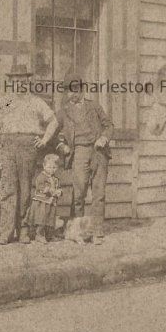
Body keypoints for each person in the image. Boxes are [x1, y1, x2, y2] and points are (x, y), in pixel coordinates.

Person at [0, 63, 59, 245]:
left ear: (28, 81)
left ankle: (24, 230)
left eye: (23, 80)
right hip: (7, 146)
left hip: (28, 148)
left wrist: (44, 140)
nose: (20, 83)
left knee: (26, 190)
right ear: (11, 82)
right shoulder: (4, 102)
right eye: (16, 80)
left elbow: (54, 121)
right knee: (8, 190)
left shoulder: (36, 102)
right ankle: (6, 232)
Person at [56, 73, 113, 245]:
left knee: (99, 193)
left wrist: (104, 138)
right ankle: (77, 231)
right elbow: (54, 135)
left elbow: (109, 125)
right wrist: (62, 146)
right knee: (79, 193)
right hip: (79, 152)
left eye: (76, 90)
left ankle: (97, 231)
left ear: (82, 90)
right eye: (69, 91)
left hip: (98, 152)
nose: (73, 94)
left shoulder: (94, 106)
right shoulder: (63, 112)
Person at [25, 153, 63, 244]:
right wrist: (48, 189)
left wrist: (59, 192)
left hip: (51, 202)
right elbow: (40, 186)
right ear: (44, 166)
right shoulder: (41, 177)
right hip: (42, 202)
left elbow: (58, 187)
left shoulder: (56, 179)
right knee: (42, 218)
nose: (52, 170)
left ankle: (49, 235)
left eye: (54, 168)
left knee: (50, 219)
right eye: (49, 167)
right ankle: (39, 234)